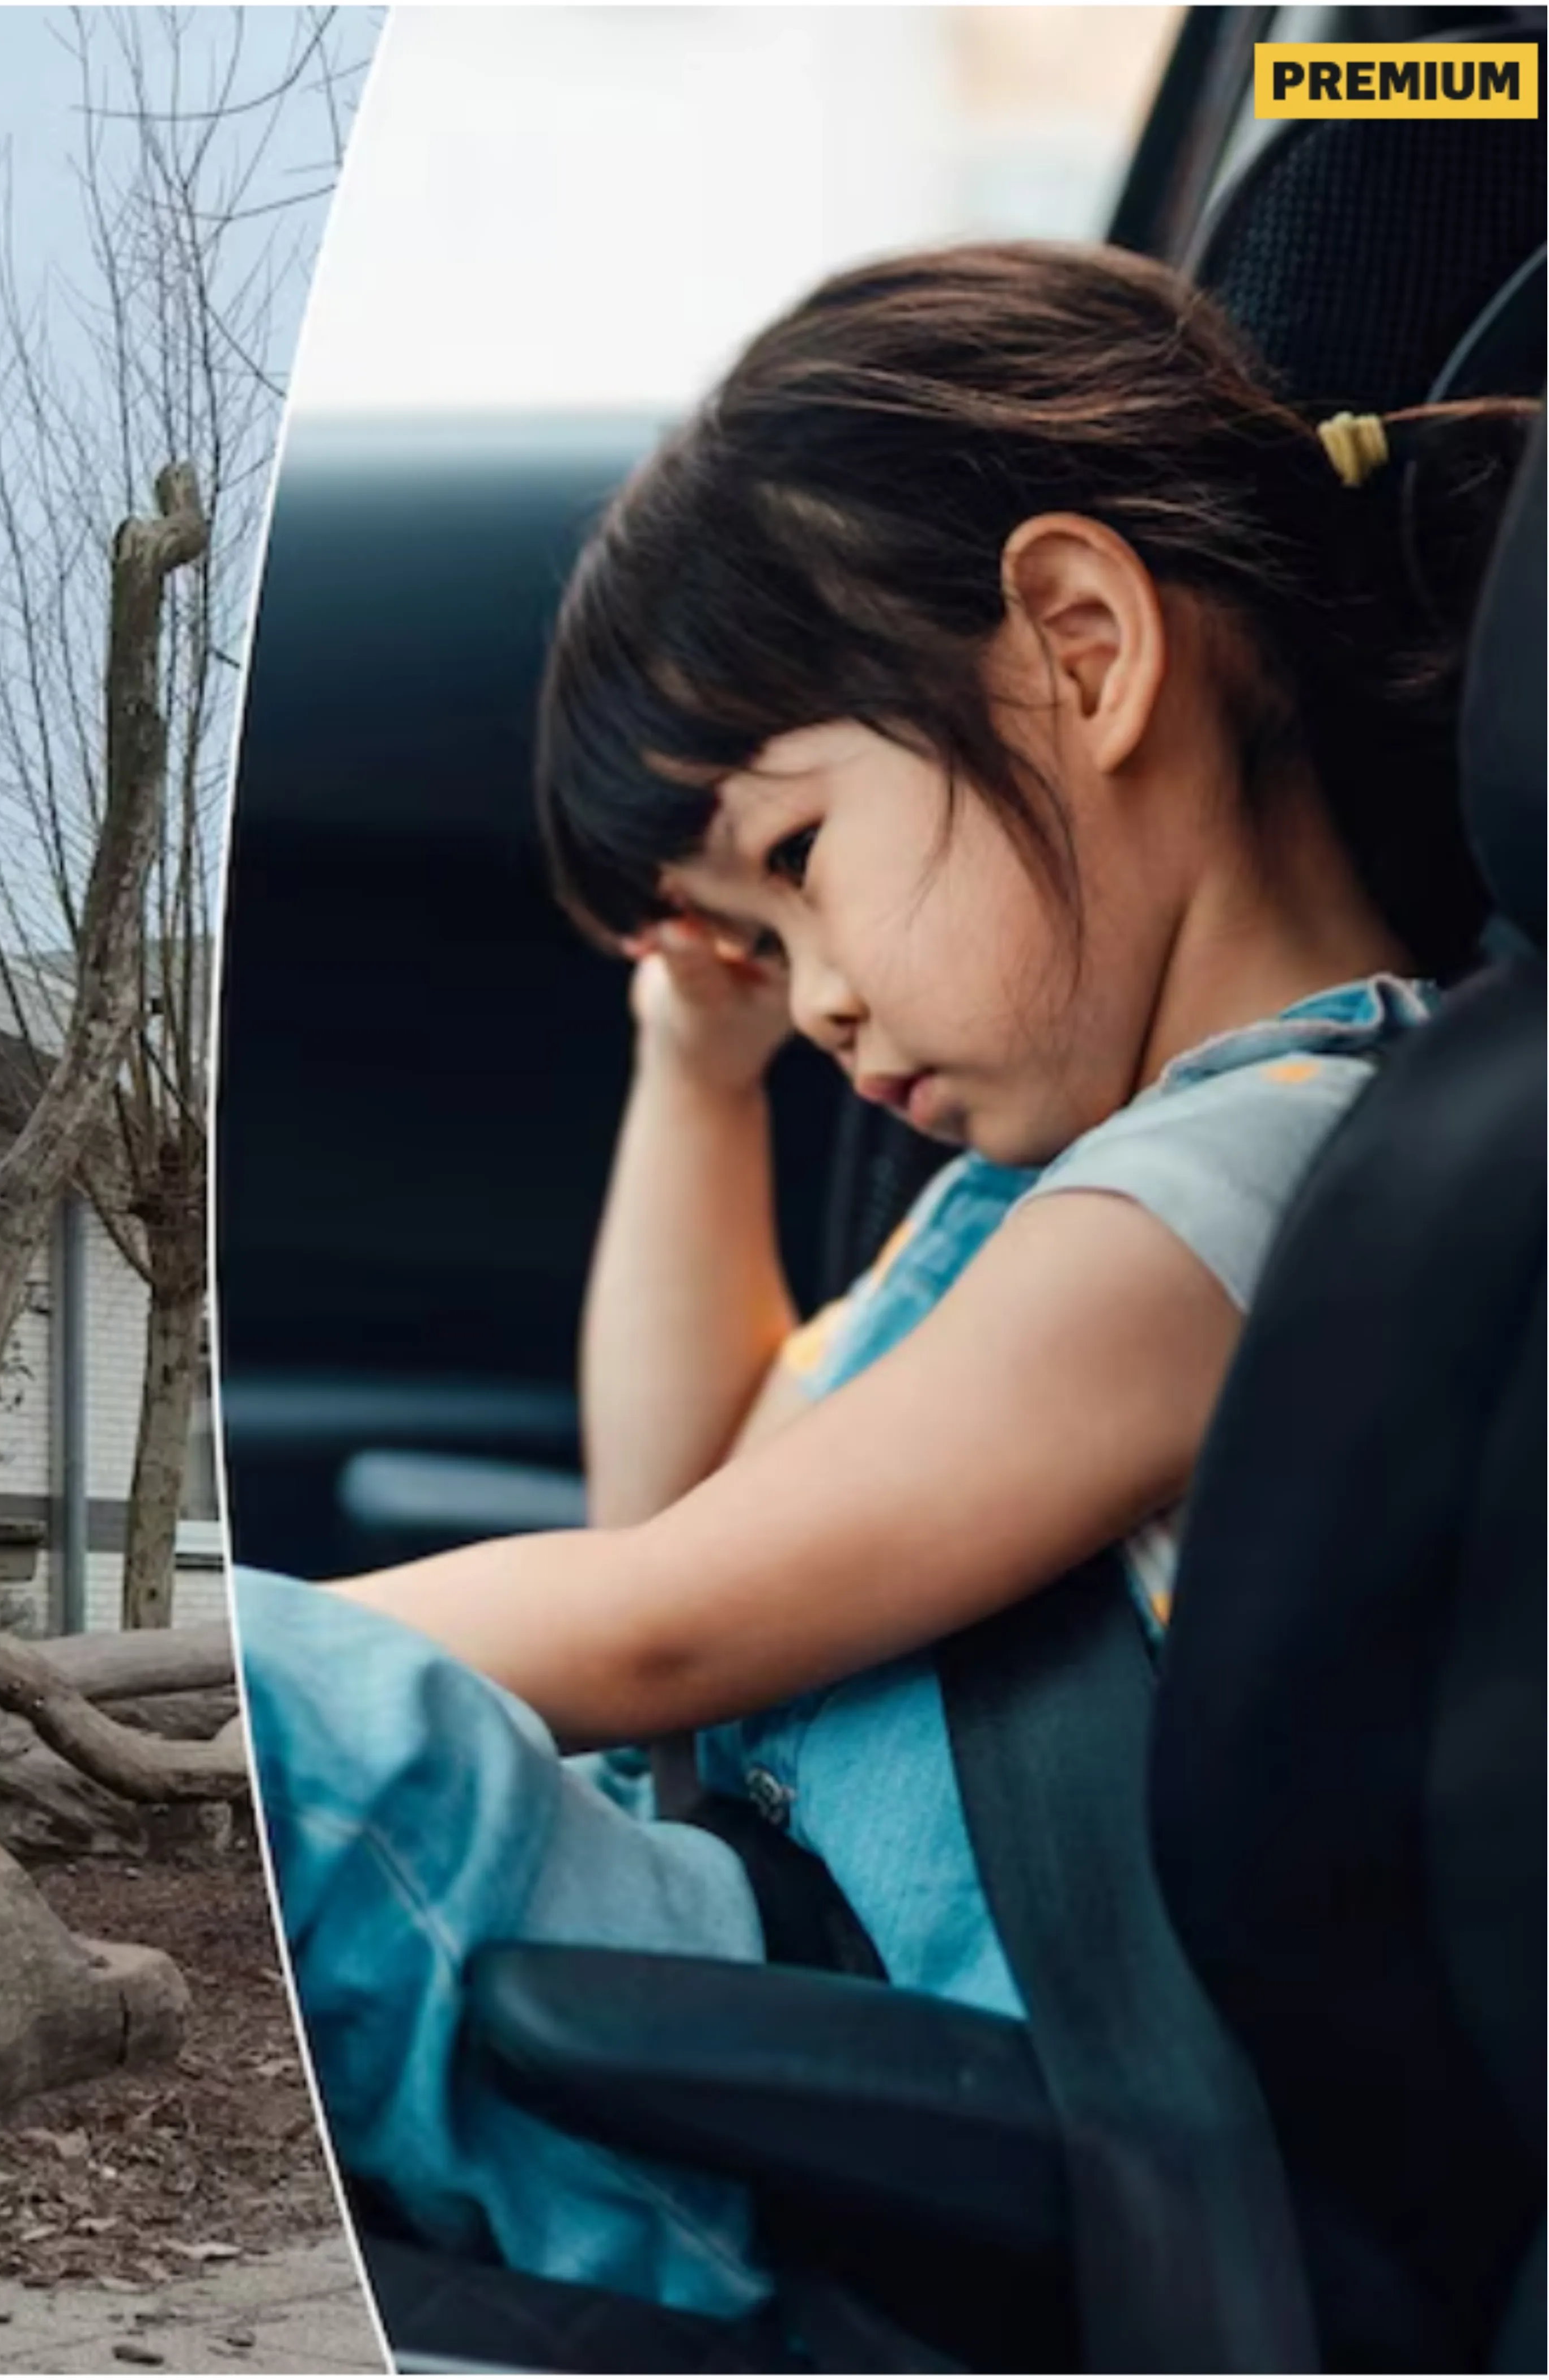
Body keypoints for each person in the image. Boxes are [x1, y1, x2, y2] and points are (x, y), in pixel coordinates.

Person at [235, 241, 1534, 2324]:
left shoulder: (1268, 1175)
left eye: (802, 862)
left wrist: (184, 1686)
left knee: (278, 1712)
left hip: (872, 2141)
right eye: (749, 939)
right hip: (738, 2015)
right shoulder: (1049, 1188)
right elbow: (690, 1518)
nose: (812, 994)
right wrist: (699, 1075)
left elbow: (663, 1621)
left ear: (1081, 648)